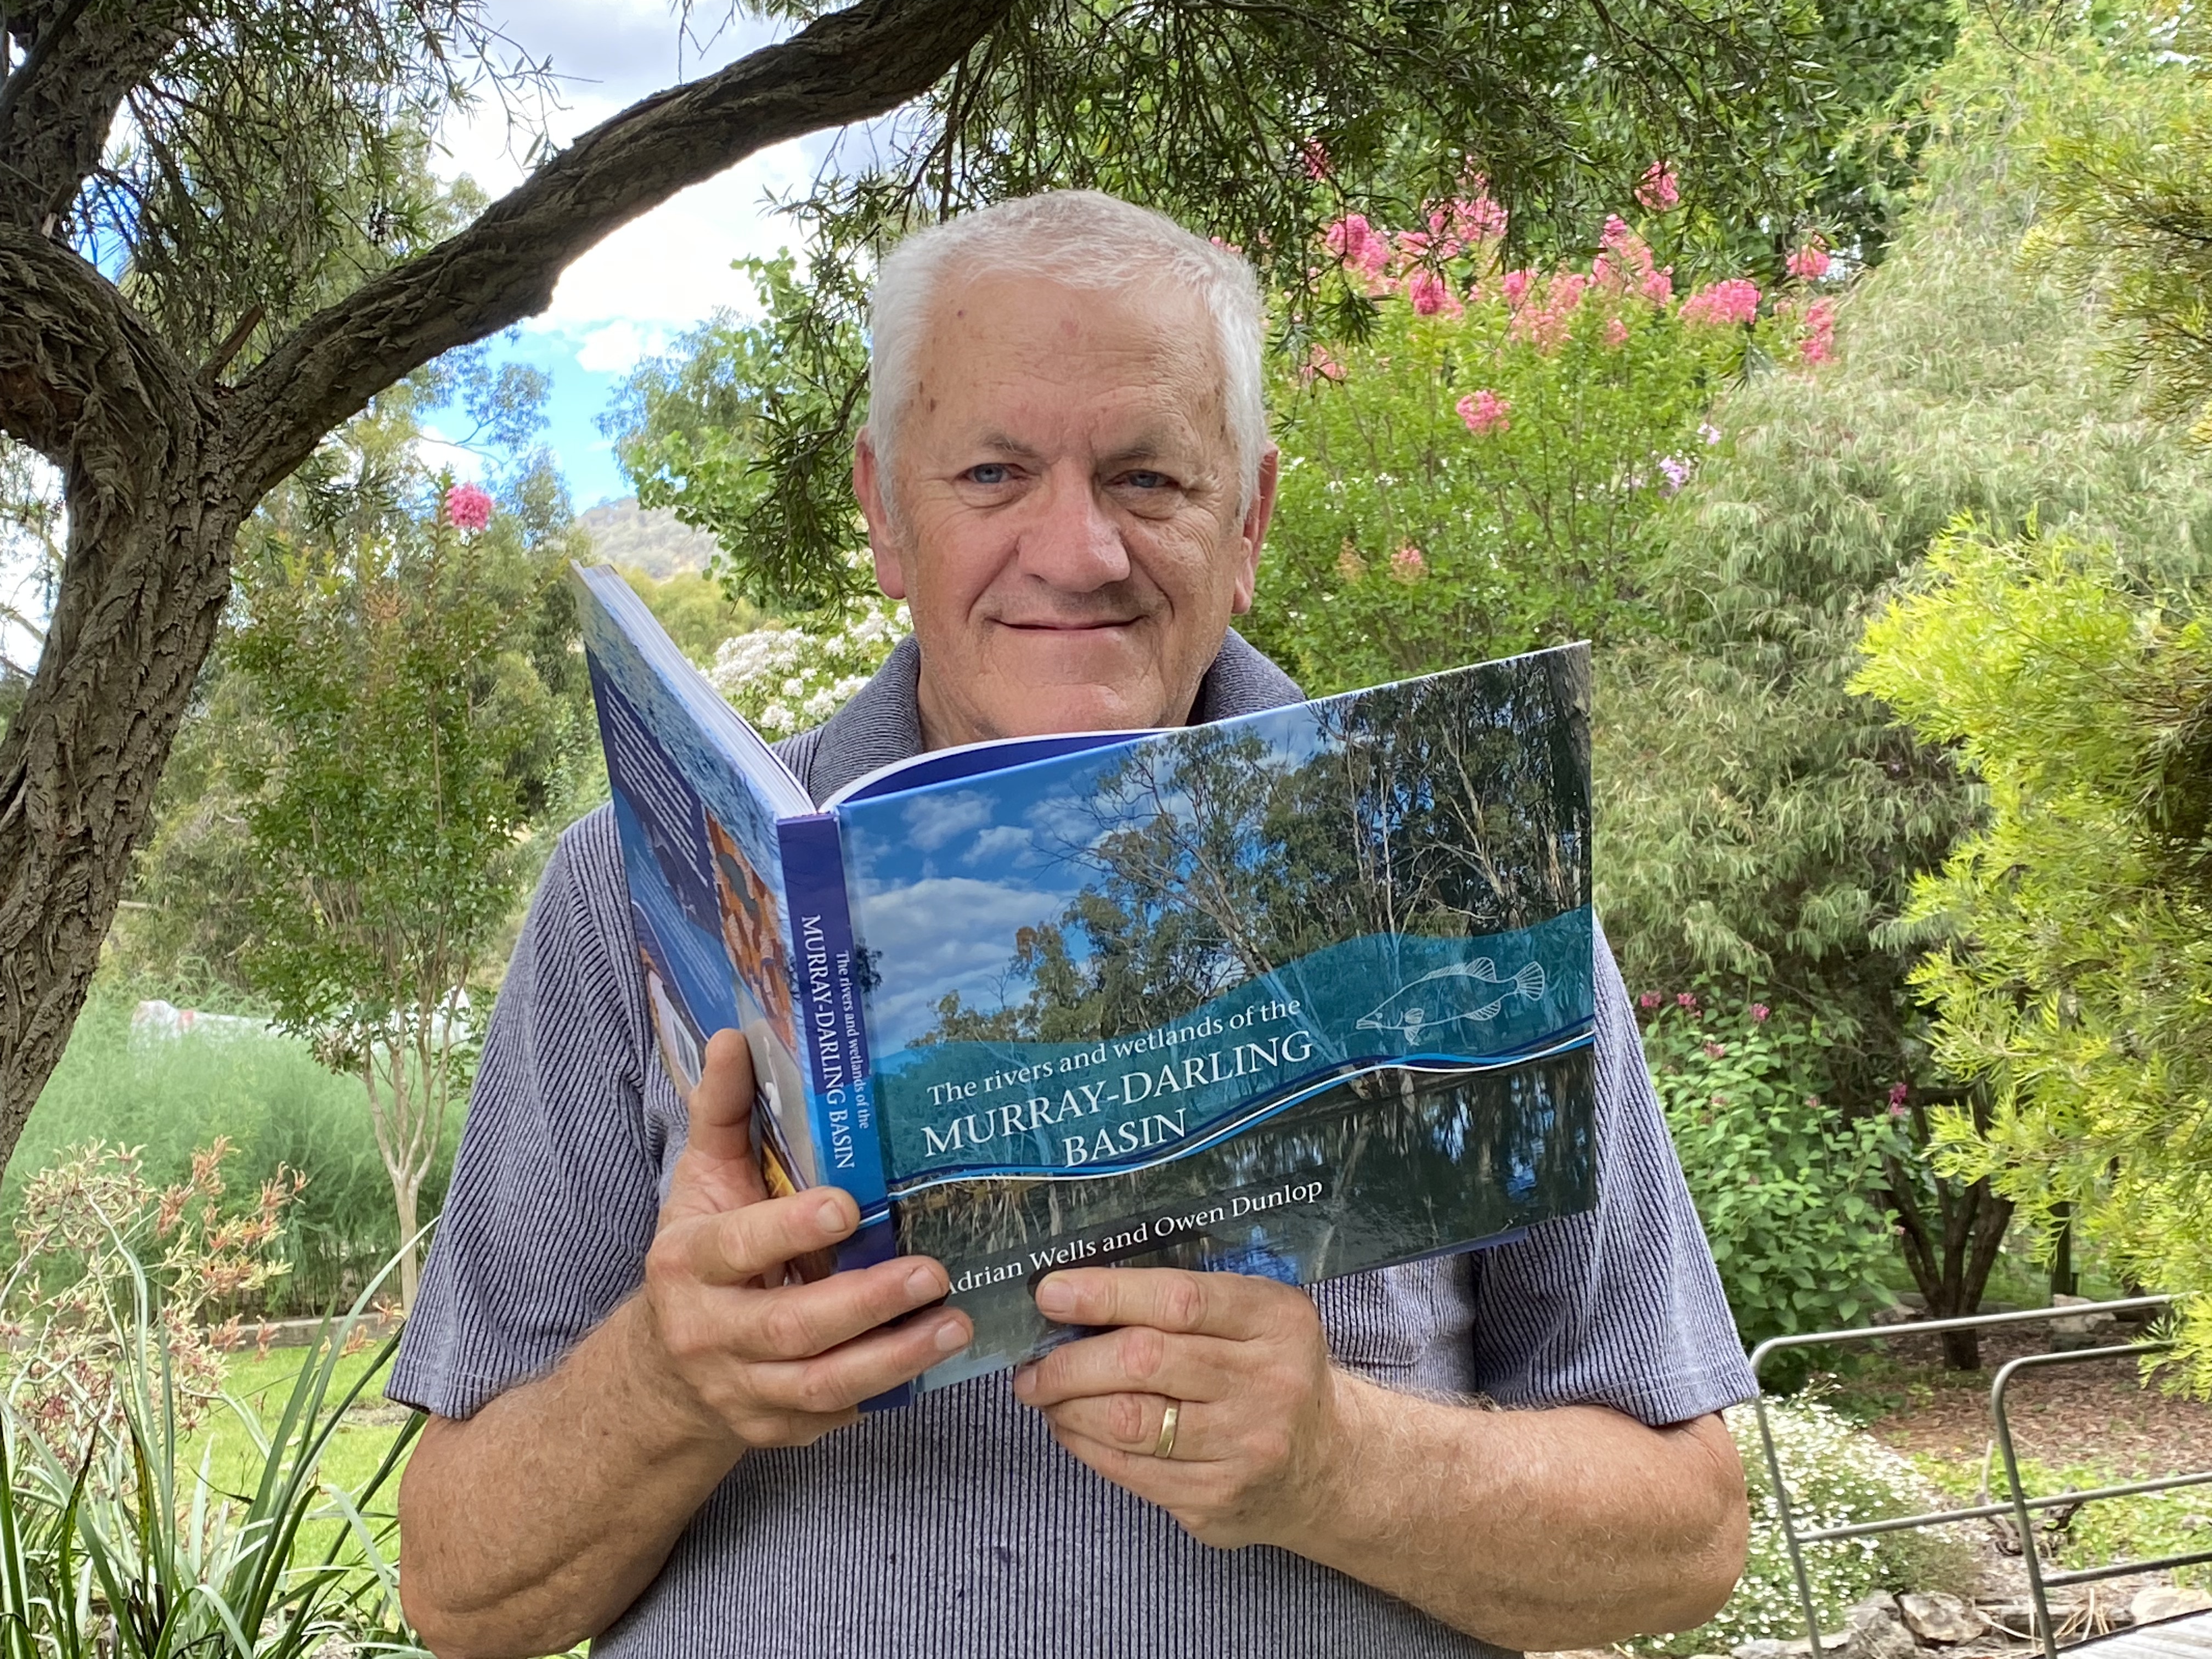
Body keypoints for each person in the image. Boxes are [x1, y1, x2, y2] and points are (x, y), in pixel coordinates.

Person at [391, 190, 1758, 1659]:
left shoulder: (1454, 863)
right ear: (885, 515)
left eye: (1149, 479)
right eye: (991, 472)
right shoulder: (634, 888)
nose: (1078, 549)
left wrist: (1340, 1466)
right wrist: (669, 1380)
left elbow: (1684, 1535)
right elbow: (461, 1593)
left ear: (1250, 520)